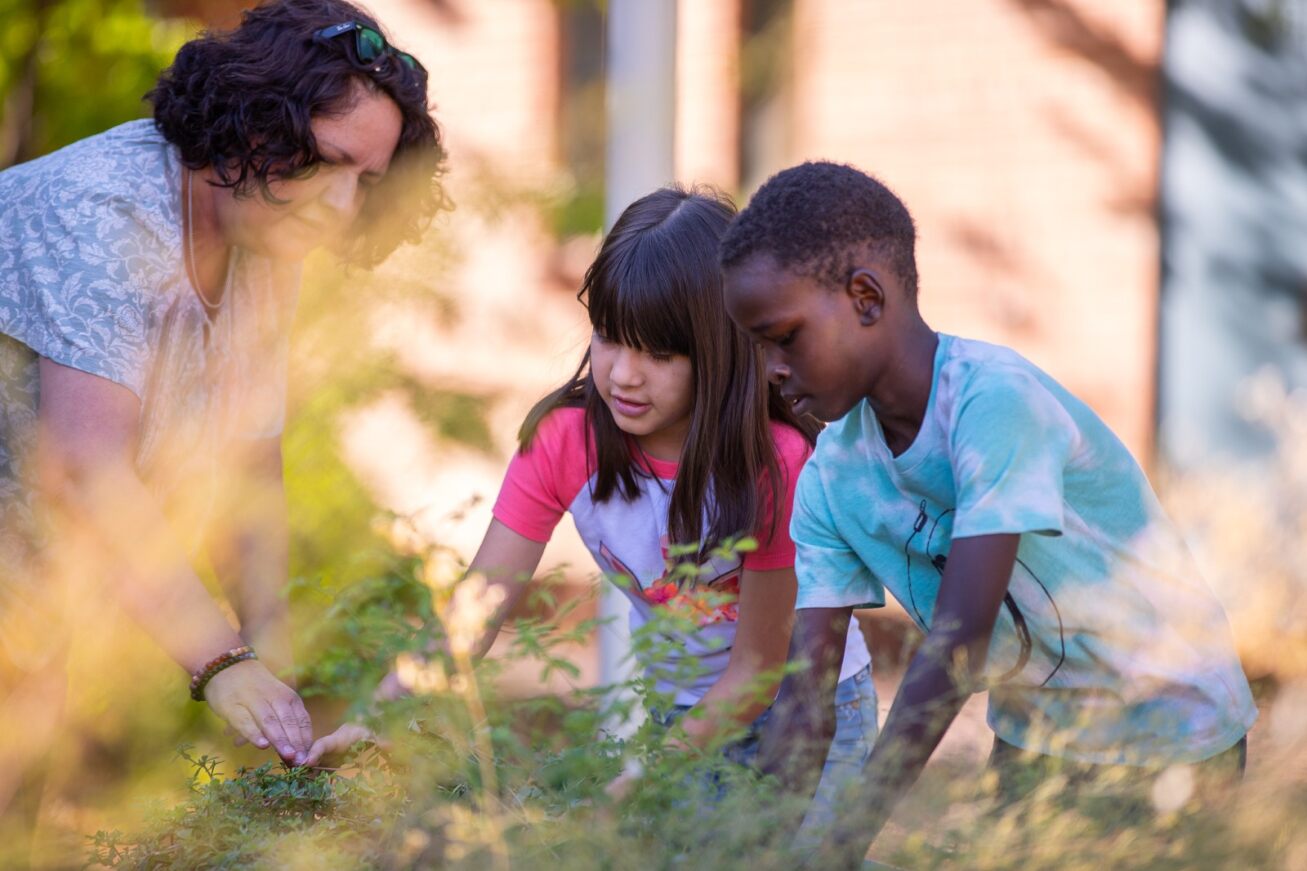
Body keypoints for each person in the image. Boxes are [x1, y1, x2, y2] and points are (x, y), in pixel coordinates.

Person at [719, 161, 1259, 860]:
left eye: (782, 337)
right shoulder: (828, 480)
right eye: (755, 348)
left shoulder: (991, 402)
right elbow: (805, 699)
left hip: (1172, 727)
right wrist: (753, 844)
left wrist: (844, 840)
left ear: (864, 297)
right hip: (1035, 737)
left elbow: (959, 640)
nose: (770, 369)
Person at [306, 187, 876, 832]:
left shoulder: (777, 465)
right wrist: (380, 716)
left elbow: (758, 668)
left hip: (804, 713)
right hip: (678, 712)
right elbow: (476, 610)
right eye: (610, 339)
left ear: (722, 348)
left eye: (660, 353)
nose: (624, 376)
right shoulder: (563, 441)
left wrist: (649, 774)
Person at [0, 0, 445, 822]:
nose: (344, 208)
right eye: (329, 161)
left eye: (368, 184)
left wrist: (267, 646)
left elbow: (250, 456)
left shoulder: (266, 235)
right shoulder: (102, 215)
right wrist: (218, 662)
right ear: (254, 123)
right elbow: (81, 466)